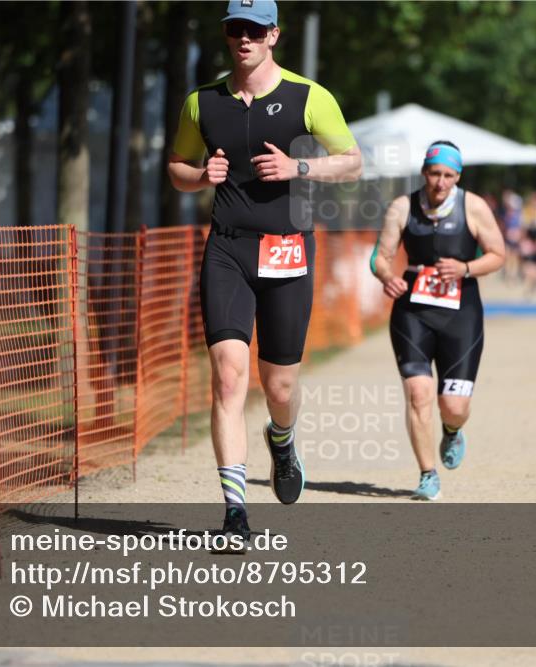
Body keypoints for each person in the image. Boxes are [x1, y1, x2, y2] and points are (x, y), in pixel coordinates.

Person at [167, 0, 362, 541]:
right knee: (228, 376)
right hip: (228, 249)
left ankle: (282, 438)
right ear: (227, 35)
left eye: (254, 29)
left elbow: (352, 162)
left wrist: (299, 166)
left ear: (274, 34)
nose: (244, 38)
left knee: (278, 387)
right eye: (235, 29)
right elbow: (177, 170)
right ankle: (235, 512)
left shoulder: (309, 96)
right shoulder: (202, 103)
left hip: (288, 251)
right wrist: (201, 174)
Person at [370, 141, 505, 500]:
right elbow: (379, 257)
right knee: (418, 393)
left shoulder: (473, 207)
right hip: (412, 311)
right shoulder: (403, 207)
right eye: (434, 174)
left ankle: (451, 429)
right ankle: (427, 474)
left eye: (448, 175)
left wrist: (465, 268)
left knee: (454, 405)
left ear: (458, 176)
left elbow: (498, 254)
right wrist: (388, 277)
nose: (440, 182)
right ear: (423, 173)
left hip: (462, 313)